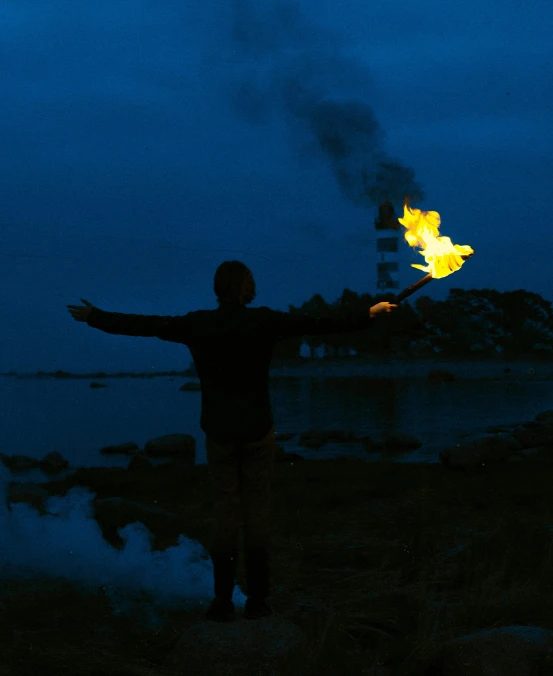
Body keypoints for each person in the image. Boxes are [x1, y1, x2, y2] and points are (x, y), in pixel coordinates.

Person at [67, 260, 397, 623]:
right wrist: (368, 313)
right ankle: (257, 602)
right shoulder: (265, 321)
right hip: (258, 432)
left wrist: (95, 316)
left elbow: (145, 325)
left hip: (220, 433)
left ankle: (222, 602)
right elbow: (319, 323)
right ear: (247, 288)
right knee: (256, 518)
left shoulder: (198, 323)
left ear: (217, 288)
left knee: (226, 520)